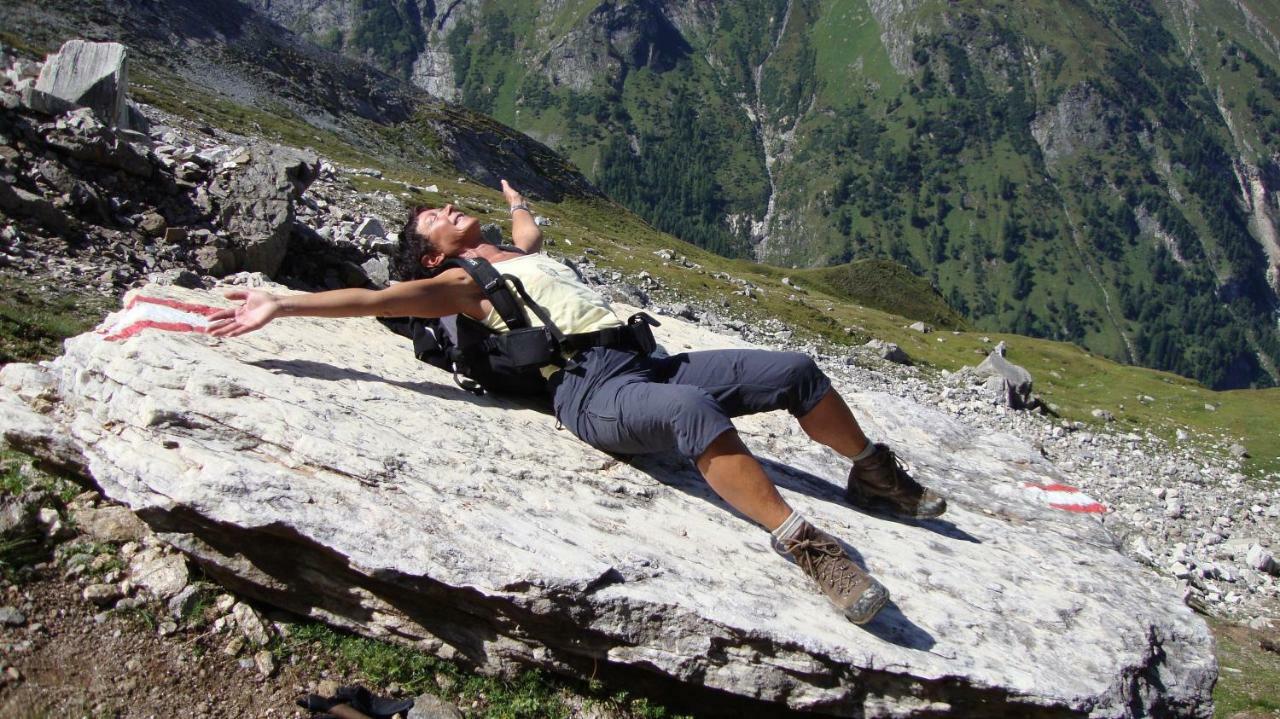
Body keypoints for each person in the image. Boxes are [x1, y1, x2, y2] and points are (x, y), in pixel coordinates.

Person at [208, 180, 947, 625]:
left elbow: (530, 232)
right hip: (592, 389)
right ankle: (813, 550)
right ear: (432, 255)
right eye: (431, 216)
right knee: (693, 414)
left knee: (794, 369)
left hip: (643, 357)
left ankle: (872, 470)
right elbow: (372, 297)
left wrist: (517, 202)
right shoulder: (458, 286)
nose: (444, 205)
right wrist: (281, 303)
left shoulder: (512, 253)